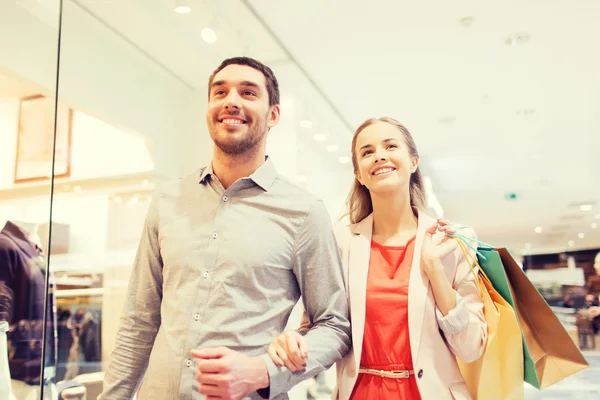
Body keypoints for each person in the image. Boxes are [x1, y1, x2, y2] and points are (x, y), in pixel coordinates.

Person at [100, 57, 351, 400]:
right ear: (209, 108)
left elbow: (335, 326)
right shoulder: (167, 201)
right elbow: (138, 321)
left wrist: (264, 371)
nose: (231, 100)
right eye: (220, 91)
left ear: (273, 115)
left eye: (248, 92)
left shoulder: (304, 212)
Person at [267, 117, 487, 399]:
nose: (379, 155)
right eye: (367, 152)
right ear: (359, 174)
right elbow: (319, 327)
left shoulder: (451, 242)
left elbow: (471, 348)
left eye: (391, 146)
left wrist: (435, 270)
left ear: (414, 162)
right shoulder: (340, 242)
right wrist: (294, 344)